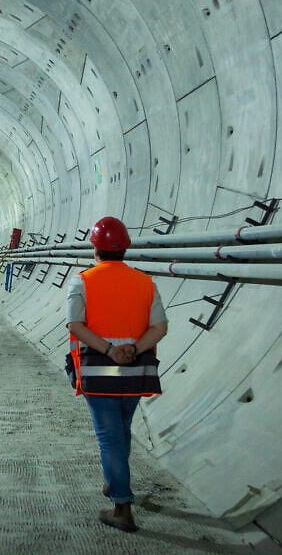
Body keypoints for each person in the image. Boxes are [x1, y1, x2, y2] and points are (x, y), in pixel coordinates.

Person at [66, 216, 168, 532]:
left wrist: (111, 351)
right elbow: (160, 327)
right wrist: (133, 349)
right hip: (136, 370)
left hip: (102, 370)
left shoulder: (82, 281)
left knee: (109, 437)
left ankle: (122, 506)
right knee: (122, 430)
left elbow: (76, 326)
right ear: (126, 248)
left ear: (95, 248)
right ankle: (113, 482)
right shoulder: (145, 282)